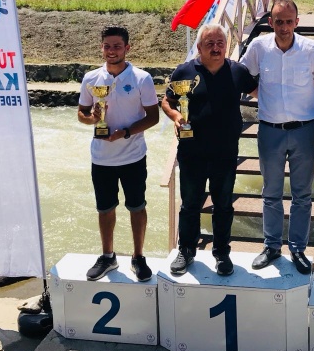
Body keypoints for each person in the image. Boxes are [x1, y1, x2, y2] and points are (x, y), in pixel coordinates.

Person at [240, 0, 314, 274]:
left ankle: (298, 249)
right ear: (270, 22)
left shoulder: (312, 49)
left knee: (302, 195)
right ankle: (272, 246)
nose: (284, 27)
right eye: (279, 22)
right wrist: (260, 94)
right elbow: (242, 75)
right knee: (271, 193)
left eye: (289, 22)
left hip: (304, 131)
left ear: (297, 22)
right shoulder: (259, 47)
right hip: (270, 131)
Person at [162, 24, 257, 276]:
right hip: (192, 152)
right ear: (199, 47)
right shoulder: (184, 71)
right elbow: (167, 101)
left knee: (223, 205)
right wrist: (176, 116)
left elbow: (263, 93)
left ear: (226, 46)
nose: (216, 48)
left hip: (225, 153)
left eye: (220, 43)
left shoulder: (238, 71)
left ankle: (222, 253)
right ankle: (186, 250)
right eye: (210, 43)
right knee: (190, 205)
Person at [78, 26, 160, 282]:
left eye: (117, 46)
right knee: (105, 209)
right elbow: (81, 113)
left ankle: (138, 257)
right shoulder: (91, 78)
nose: (111, 51)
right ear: (101, 48)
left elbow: (153, 117)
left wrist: (125, 133)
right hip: (101, 157)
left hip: (133, 155)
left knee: (137, 207)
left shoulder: (142, 78)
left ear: (127, 48)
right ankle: (108, 256)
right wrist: (93, 120)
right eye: (107, 46)